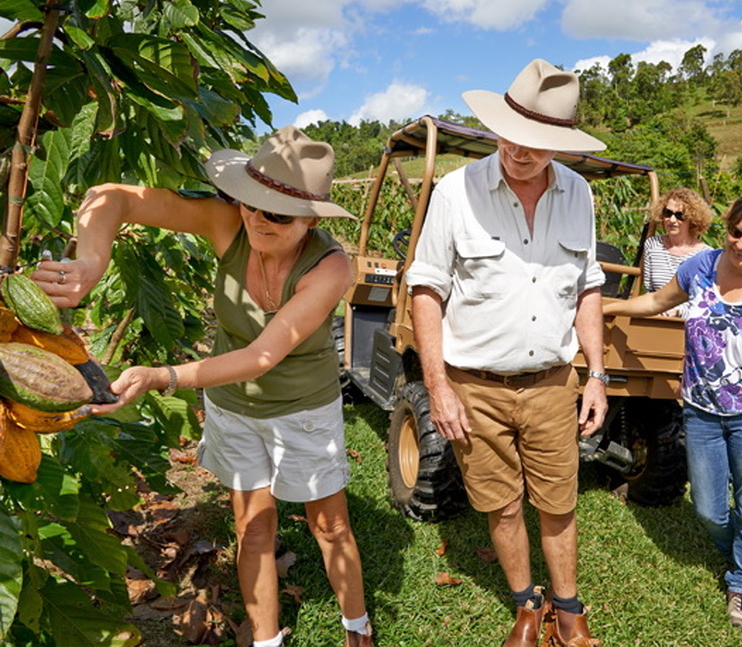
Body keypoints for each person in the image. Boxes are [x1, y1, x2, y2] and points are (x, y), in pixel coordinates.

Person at [34, 127, 375, 647]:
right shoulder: (228, 224)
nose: (258, 219)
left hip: (303, 410)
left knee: (328, 528)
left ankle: (357, 627)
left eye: (278, 213)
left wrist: (160, 377)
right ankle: (266, 640)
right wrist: (89, 264)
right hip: (233, 408)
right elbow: (111, 197)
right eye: (251, 203)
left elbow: (262, 355)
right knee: (253, 528)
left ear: (311, 219)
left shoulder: (329, 268)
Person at [406, 59, 607, 647]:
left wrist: (595, 376)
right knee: (499, 503)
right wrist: (438, 386)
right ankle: (526, 605)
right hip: (475, 385)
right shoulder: (455, 190)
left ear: (560, 142)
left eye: (539, 143)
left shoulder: (579, 194)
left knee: (559, 502)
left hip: (552, 383)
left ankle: (568, 610)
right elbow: (426, 288)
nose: (521, 150)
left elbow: (588, 286)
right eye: (511, 135)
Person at [604, 188, 742, 630]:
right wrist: (610, 307)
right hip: (700, 409)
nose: (741, 244)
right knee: (707, 507)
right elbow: (658, 302)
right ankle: (738, 549)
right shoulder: (700, 267)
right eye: (736, 232)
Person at [641, 187, 714, 315]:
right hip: (656, 316)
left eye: (680, 216)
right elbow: (649, 290)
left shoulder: (705, 255)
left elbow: (704, 301)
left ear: (692, 219)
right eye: (668, 213)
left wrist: (678, 311)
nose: (672, 220)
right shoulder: (652, 245)